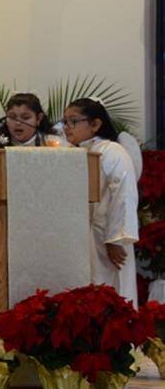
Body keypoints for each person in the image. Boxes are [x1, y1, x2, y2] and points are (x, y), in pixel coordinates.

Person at [62, 98, 140, 305]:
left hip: (106, 235)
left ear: (95, 124)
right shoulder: (71, 153)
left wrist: (116, 238)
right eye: (65, 122)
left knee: (112, 291)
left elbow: (124, 194)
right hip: (79, 238)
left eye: (73, 121)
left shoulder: (113, 151)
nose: (66, 127)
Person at [0, 93, 64, 149]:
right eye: (12, 117)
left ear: (38, 118)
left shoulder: (52, 142)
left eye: (25, 117)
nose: (18, 123)